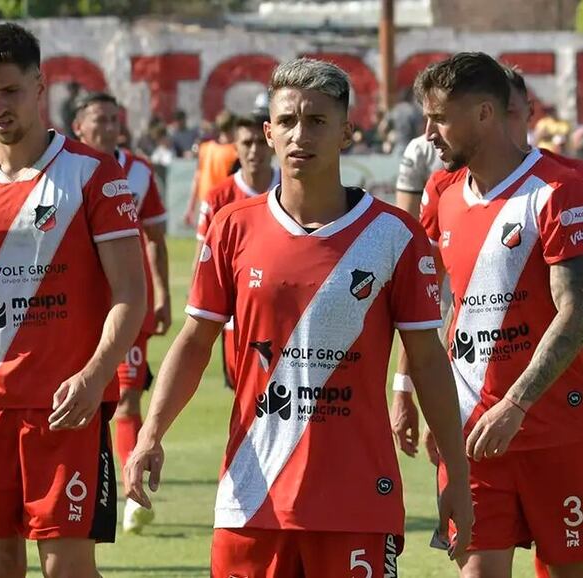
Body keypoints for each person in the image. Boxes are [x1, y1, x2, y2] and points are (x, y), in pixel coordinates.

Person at [125, 57, 473, 577]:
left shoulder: (394, 234)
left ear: (347, 132)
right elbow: (195, 341)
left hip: (357, 499)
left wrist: (456, 478)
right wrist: (150, 433)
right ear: (268, 132)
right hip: (251, 496)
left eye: (316, 121)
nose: (299, 135)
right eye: (287, 121)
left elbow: (428, 360)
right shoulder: (231, 228)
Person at [0, 23, 147, 578]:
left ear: (40, 86)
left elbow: (130, 295)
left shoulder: (94, 174)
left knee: (65, 568)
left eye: (11, 90)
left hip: (66, 408)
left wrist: (96, 377)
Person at [408, 51, 583, 578]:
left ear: (484, 114)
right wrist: (406, 389)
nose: (428, 133)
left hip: (552, 429)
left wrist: (516, 405)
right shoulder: (442, 194)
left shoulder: (557, 191)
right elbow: (431, 304)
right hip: (470, 430)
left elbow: (575, 315)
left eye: (438, 117)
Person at [72, 91, 171, 534]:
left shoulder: (140, 172)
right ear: (79, 127)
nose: (110, 127)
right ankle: (81, 481)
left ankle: (132, 494)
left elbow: (155, 238)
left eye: (115, 119)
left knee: (128, 396)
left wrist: (164, 293)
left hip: (128, 303)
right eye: (100, 120)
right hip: (75, 308)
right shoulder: (62, 169)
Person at [193, 114, 280, 390]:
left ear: (271, 141)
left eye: (260, 142)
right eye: (246, 142)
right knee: (245, 394)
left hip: (288, 309)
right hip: (238, 315)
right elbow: (202, 259)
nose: (254, 150)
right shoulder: (219, 197)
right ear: (236, 147)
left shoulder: (293, 188)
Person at [183, 109, 238, 227]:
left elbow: (197, 178)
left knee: (205, 242)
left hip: (206, 204)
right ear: (234, 127)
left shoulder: (205, 148)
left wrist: (190, 208)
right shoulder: (235, 151)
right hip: (225, 204)